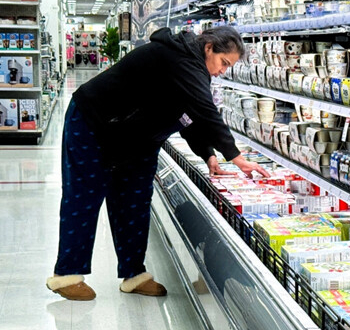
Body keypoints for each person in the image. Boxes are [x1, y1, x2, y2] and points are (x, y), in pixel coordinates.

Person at [46, 26, 269, 301]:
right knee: (85, 196)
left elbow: (190, 116)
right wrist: (234, 155)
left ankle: (134, 274)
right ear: (209, 47)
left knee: (134, 201)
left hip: (137, 137)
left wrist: (208, 154)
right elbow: (205, 109)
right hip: (95, 122)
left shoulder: (194, 69)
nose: (223, 70)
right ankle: (66, 275)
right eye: (224, 63)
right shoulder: (179, 57)